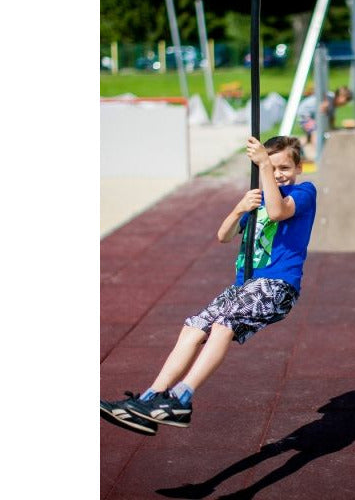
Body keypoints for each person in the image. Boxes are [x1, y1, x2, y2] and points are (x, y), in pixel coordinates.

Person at [100, 136, 317, 435]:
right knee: (193, 327)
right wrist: (240, 208)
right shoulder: (258, 199)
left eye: (285, 167)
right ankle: (152, 399)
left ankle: (183, 396)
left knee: (223, 324)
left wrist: (264, 165)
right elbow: (224, 236)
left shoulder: (304, 192)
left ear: (298, 167)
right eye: (273, 166)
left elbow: (279, 212)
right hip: (244, 287)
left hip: (277, 286)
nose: (279, 173)